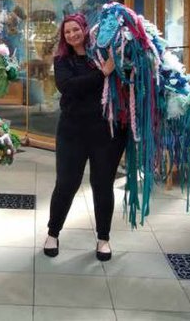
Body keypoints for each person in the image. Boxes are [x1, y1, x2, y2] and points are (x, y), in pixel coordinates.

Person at [43, 13, 123, 261]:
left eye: (75, 29)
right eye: (67, 32)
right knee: (66, 183)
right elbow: (69, 87)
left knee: (102, 185)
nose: (72, 35)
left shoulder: (98, 54)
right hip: (72, 131)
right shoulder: (62, 60)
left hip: (104, 132)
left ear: (84, 29)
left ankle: (103, 239)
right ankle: (52, 233)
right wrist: (103, 74)